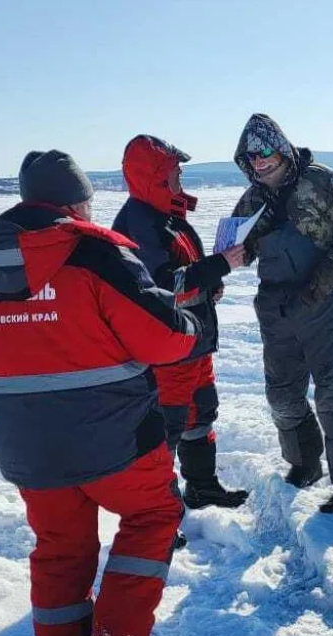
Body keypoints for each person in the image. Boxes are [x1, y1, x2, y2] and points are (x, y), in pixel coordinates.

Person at [0, 149, 228, 636]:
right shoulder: (94, 253)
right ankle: (121, 634)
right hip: (115, 437)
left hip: (27, 445)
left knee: (60, 549)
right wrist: (192, 326)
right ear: (75, 203)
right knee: (154, 514)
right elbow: (161, 337)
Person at [231, 113, 333, 514]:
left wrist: (332, 268)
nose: (260, 160)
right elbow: (240, 248)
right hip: (277, 310)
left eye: (265, 150)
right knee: (281, 394)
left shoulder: (324, 182)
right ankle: (305, 462)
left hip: (326, 304)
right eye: (251, 155)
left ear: (281, 148)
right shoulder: (251, 200)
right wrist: (233, 255)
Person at [112, 134, 248, 509]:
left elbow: (185, 273)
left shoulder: (166, 217)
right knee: (166, 429)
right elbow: (161, 286)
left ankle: (201, 487)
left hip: (192, 342)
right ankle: (155, 511)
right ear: (155, 177)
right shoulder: (140, 225)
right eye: (175, 172)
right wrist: (220, 265)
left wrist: (210, 285)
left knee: (201, 410)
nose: (180, 179)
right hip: (168, 349)